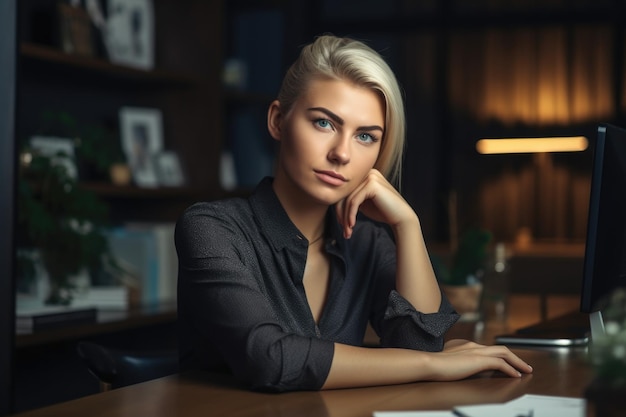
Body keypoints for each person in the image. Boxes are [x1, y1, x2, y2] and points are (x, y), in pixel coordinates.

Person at [175, 34, 533, 392]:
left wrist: (407, 225)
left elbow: (419, 343)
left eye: (365, 136)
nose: (342, 153)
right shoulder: (211, 228)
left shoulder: (367, 241)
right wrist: (433, 365)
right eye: (324, 123)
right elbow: (270, 359)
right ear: (278, 120)